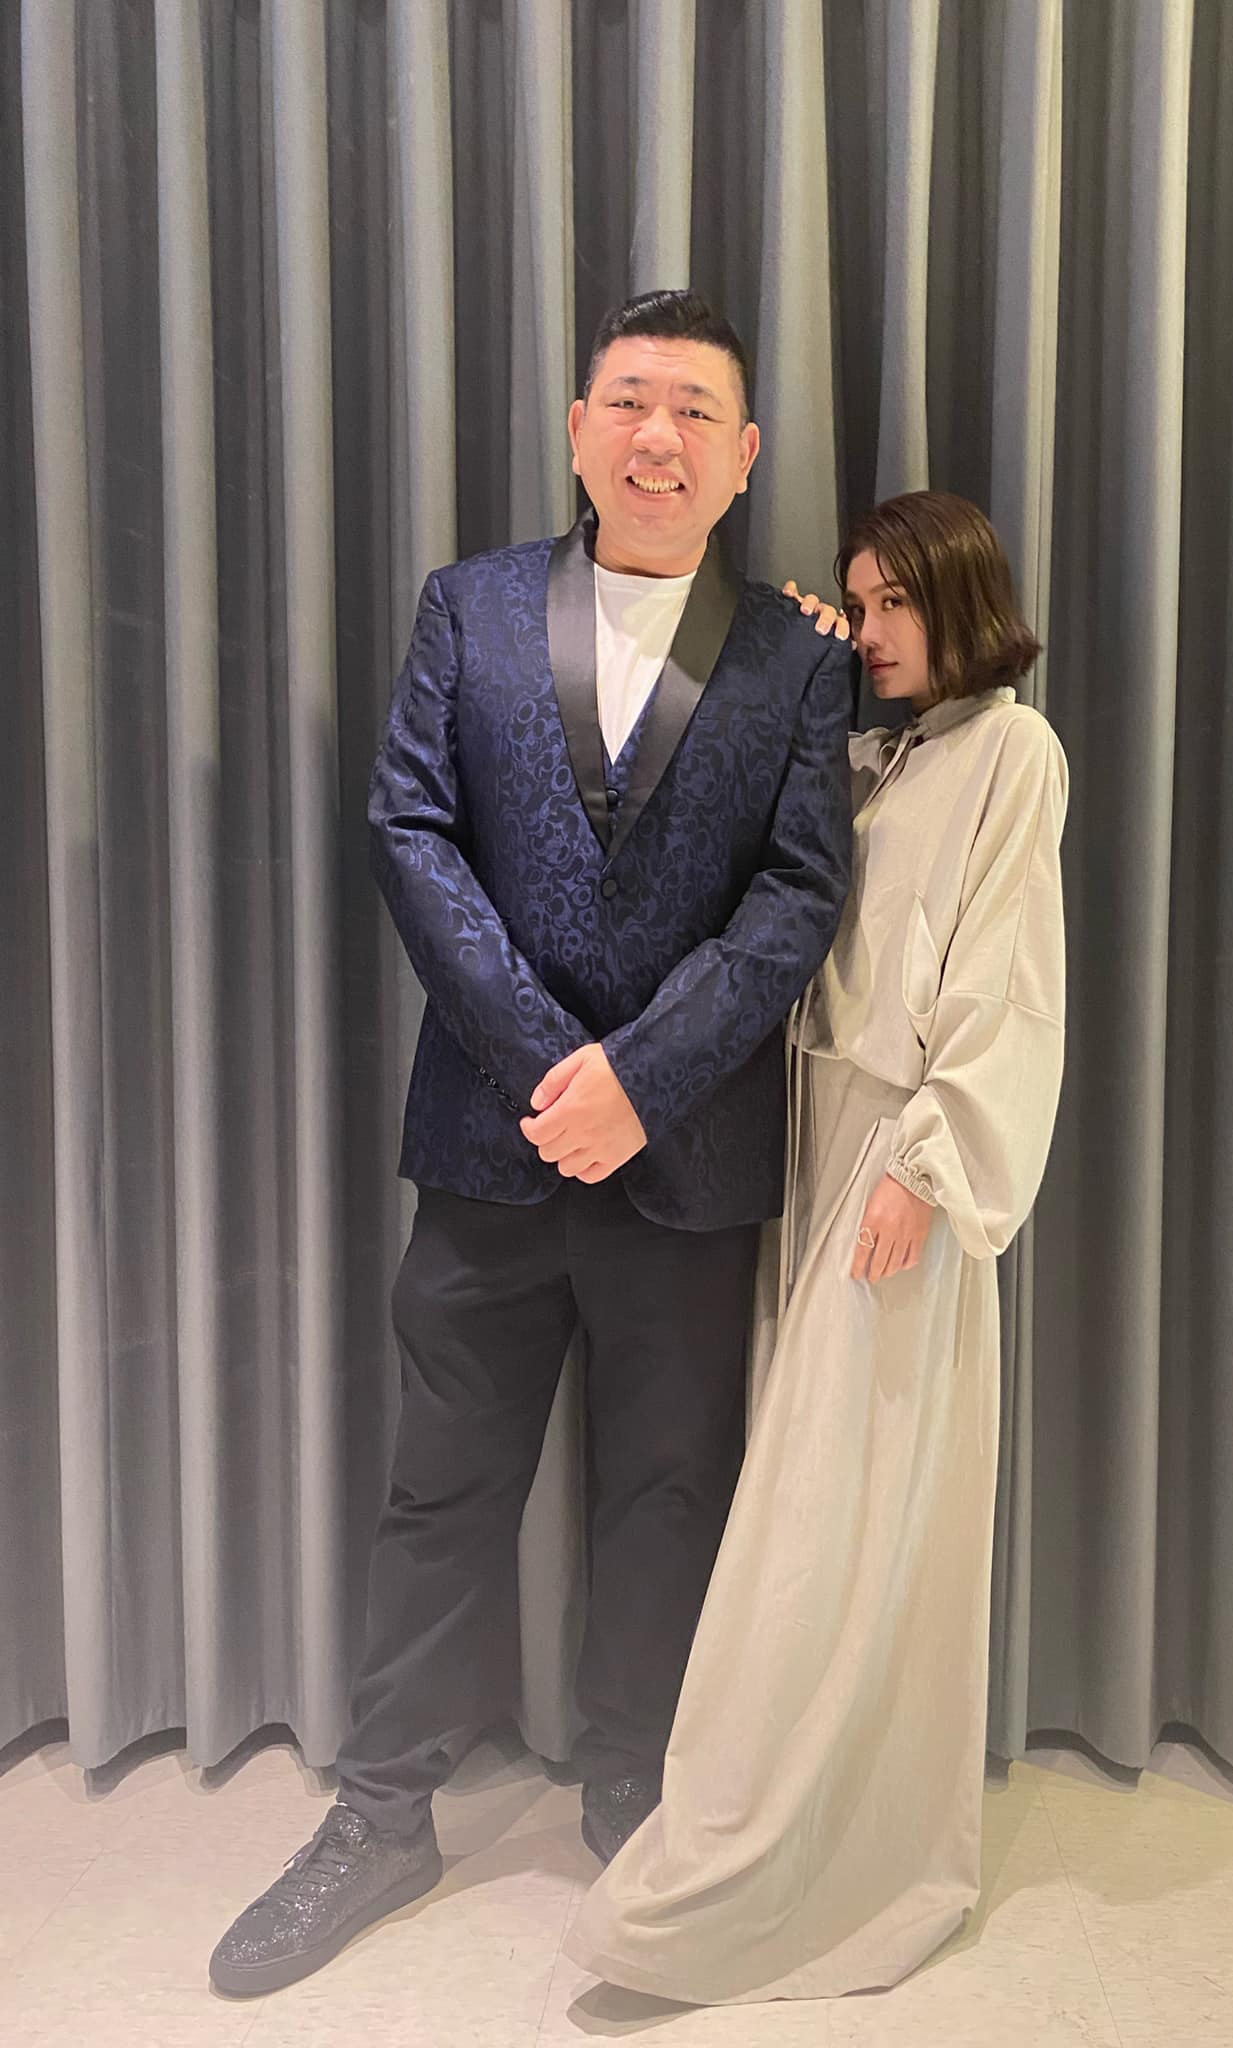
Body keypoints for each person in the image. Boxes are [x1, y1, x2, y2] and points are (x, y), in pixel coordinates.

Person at [207, 290, 853, 1998]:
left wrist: (644, 1079)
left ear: (742, 456)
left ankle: (632, 1795)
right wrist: (554, 1068)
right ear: (577, 428)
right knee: (440, 1488)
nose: (657, 435)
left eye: (694, 410)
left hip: (691, 1162)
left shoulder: (801, 656)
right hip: (489, 1148)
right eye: (628, 400)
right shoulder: (469, 605)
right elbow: (410, 828)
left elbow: (799, 894)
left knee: (666, 1492)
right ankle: (383, 1813)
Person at [567, 490, 1068, 2003]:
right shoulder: (869, 756)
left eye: (900, 601)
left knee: (845, 1509)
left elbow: (1010, 976)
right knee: (810, 1492)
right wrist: (797, 652)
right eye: (866, 603)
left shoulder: (1012, 754)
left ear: (963, 597)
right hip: (812, 1142)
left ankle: (798, 1856)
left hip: (899, 1161)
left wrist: (929, 1160)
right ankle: (771, 1822)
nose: (880, 632)